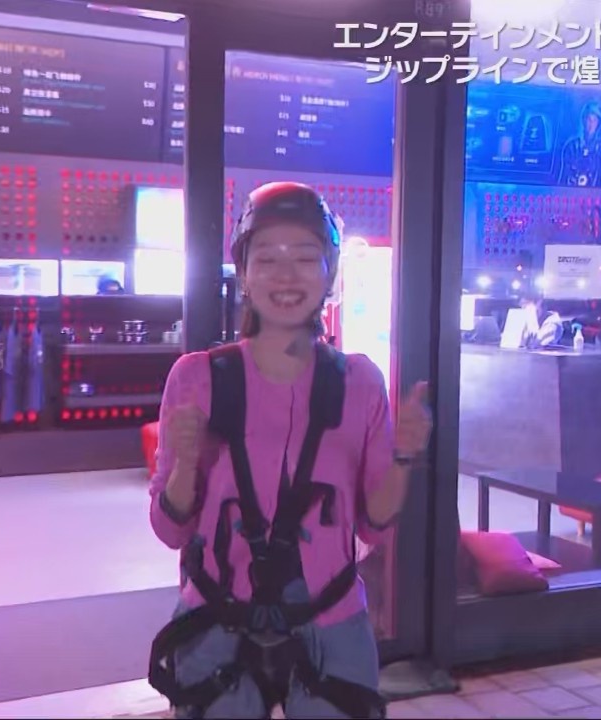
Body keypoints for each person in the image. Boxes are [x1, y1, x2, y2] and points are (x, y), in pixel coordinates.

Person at [147, 182, 432, 719]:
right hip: (217, 621)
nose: (286, 275)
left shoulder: (359, 381)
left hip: (332, 621)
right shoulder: (198, 377)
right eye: (267, 258)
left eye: (304, 257)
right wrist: (185, 462)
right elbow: (170, 529)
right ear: (244, 274)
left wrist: (403, 456)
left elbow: (374, 525)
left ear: (329, 273)